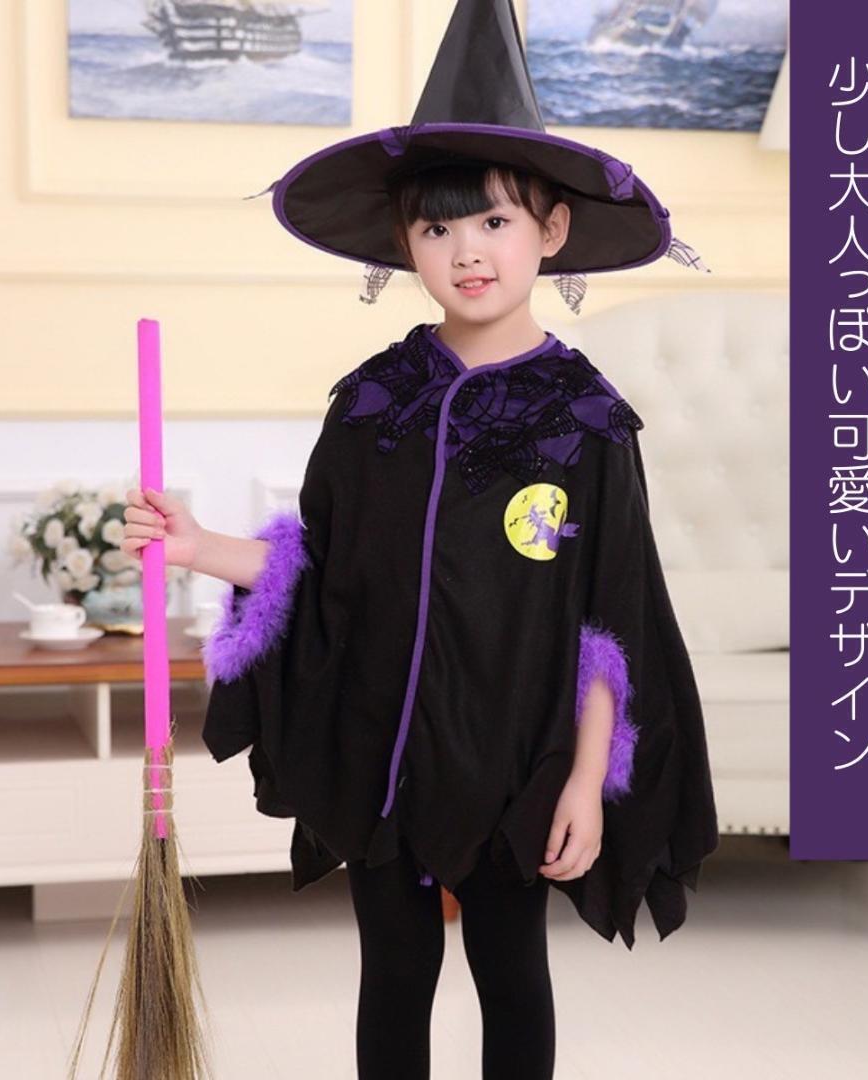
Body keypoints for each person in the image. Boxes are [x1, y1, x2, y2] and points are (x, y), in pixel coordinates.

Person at [123, 3, 719, 1078]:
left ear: (551, 229)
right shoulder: (373, 402)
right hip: (382, 757)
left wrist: (586, 780)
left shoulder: (586, 423)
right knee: (393, 972)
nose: (466, 252)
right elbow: (322, 571)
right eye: (436, 230)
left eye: (492, 221)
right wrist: (199, 542)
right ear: (404, 242)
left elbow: (610, 622)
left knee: (510, 971)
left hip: (511, 763)